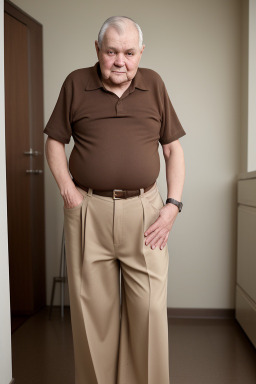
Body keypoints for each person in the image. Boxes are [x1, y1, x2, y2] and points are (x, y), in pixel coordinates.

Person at [44, 15, 186, 384]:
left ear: (140, 53)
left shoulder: (154, 84)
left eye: (128, 52)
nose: (119, 61)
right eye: (111, 52)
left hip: (146, 213)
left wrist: (173, 206)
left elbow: (173, 150)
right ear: (98, 50)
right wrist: (68, 191)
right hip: (88, 209)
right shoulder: (76, 83)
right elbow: (55, 141)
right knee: (95, 317)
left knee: (150, 313)